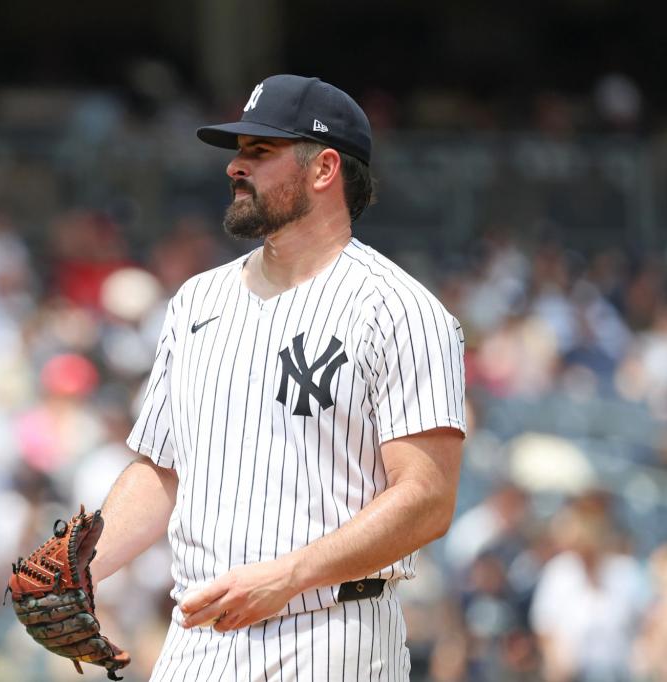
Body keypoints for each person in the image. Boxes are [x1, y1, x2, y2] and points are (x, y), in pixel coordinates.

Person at [90, 75, 466, 680]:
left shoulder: (400, 310)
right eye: (239, 152)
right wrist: (82, 566)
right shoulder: (195, 300)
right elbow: (162, 469)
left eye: (259, 153)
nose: (236, 167)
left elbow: (427, 500)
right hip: (199, 636)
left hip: (331, 631)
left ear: (323, 169)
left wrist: (289, 576)